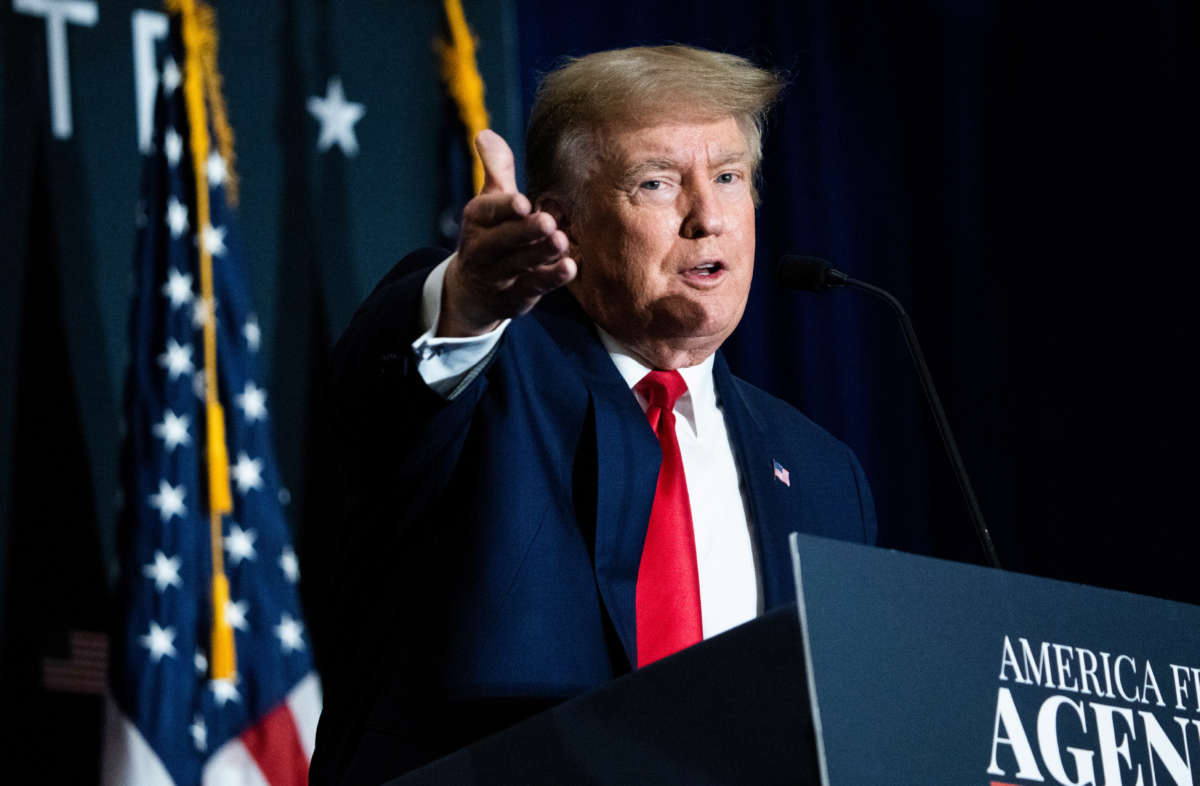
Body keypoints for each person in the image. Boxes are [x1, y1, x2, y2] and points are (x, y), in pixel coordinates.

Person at [308, 45, 877, 784]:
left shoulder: (825, 475)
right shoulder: (488, 377)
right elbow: (379, 401)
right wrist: (467, 305)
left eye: (730, 178)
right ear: (561, 220)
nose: (708, 218)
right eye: (657, 183)